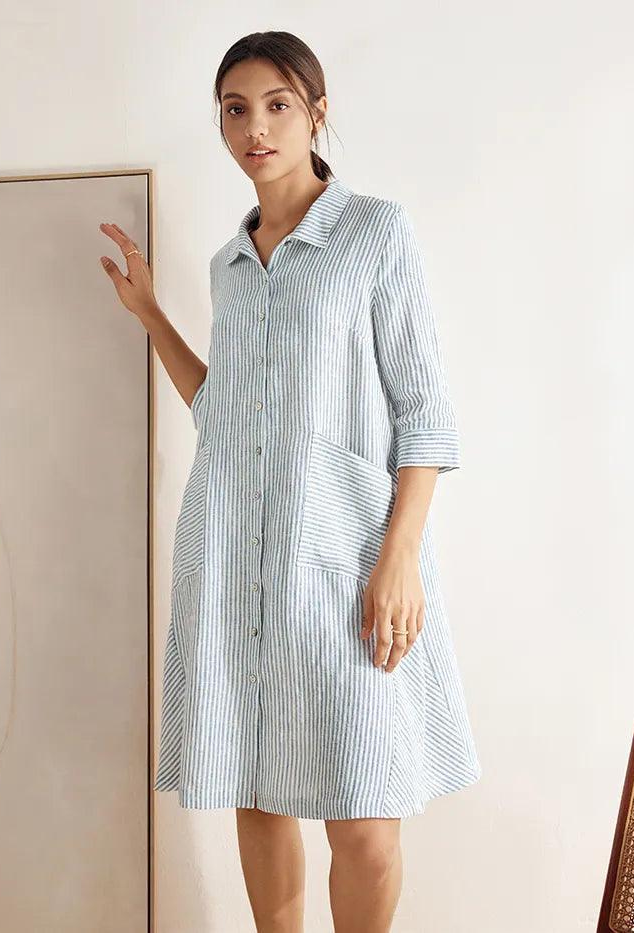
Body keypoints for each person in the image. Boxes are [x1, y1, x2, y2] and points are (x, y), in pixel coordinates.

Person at [99, 29, 481, 933]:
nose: (255, 128)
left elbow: (426, 413)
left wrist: (400, 558)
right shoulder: (229, 268)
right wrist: (150, 313)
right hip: (235, 556)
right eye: (236, 110)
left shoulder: (375, 233)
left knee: (366, 814)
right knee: (258, 785)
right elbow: (224, 410)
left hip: (348, 560)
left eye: (277, 105)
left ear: (316, 114)